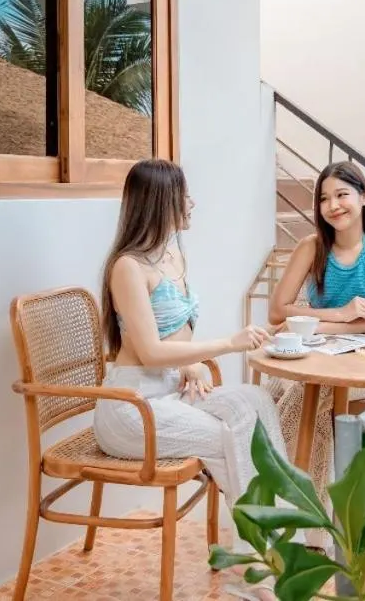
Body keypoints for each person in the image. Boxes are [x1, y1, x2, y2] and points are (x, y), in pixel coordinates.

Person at [91, 159, 282, 597]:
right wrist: (228, 344)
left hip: (171, 393)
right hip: (132, 409)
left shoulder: (174, 251)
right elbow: (152, 351)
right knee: (233, 439)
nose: (192, 202)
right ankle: (264, 572)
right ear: (161, 202)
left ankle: (284, 534)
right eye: (184, 195)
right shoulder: (128, 267)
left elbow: (170, 338)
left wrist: (192, 364)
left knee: (254, 402)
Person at [266, 161, 365, 546]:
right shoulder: (312, 247)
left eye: (342, 194)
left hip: (364, 365)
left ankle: (298, 514)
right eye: (324, 198)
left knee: (313, 396)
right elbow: (276, 312)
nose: (333, 205)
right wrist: (339, 314)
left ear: (362, 198)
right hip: (311, 356)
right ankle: (311, 521)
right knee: (289, 394)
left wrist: (312, 323)